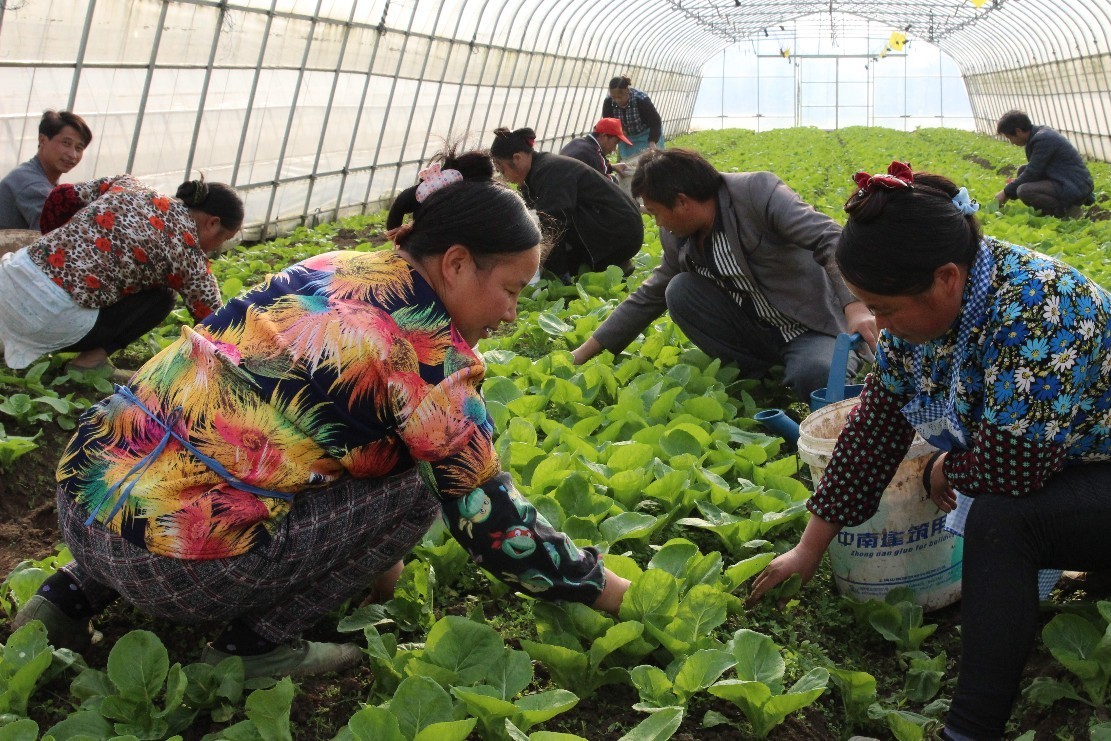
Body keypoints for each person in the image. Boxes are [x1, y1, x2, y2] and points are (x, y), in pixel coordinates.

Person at [10, 150, 630, 678]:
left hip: (80, 499)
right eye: (512, 291)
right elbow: (491, 522)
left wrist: (378, 557)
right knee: (424, 484)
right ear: (457, 263)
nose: (513, 314)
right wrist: (609, 591)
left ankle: (65, 596)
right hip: (176, 570)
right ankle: (256, 648)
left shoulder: (332, 265)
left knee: (191, 440)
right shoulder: (429, 357)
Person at [748, 162, 1111, 740]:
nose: (880, 323)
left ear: (946, 278)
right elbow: (874, 429)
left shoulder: (1037, 307)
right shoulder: (926, 312)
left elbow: (1013, 471)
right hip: (1101, 460)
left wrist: (944, 466)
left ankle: (970, 729)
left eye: (886, 309)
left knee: (1002, 522)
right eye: (869, 307)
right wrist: (808, 550)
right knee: (993, 506)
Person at [570, 147, 877, 402]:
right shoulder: (677, 235)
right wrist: (581, 355)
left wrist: (855, 305)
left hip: (812, 327)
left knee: (816, 376)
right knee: (679, 289)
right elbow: (648, 296)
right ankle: (757, 374)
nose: (658, 223)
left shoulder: (756, 193)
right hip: (757, 330)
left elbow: (830, 238)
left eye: (656, 213)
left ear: (682, 201)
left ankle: (820, 362)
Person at [0, 176, 242, 380]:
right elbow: (215, 322)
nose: (216, 248)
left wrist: (59, 243)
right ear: (212, 223)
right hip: (46, 319)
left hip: (8, 278)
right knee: (164, 296)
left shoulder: (129, 184)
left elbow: (61, 196)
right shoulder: (190, 256)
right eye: (224, 239)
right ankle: (89, 363)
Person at [490, 127, 644, 281]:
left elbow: (552, 224)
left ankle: (601, 264)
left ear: (517, 158)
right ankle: (615, 265)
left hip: (622, 233)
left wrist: (535, 268)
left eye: (502, 170)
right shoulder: (537, 171)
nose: (504, 177)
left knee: (553, 236)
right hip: (616, 226)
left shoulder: (549, 171)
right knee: (553, 244)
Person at [0, 110, 93, 231]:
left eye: (79, 148)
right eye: (66, 143)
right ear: (42, 140)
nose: (73, 155)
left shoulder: (36, 176)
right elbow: (51, 236)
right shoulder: (31, 184)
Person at [993, 110, 1093, 218]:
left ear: (1018, 131)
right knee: (1022, 170)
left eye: (1010, 138)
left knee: (1024, 190)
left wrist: (1006, 192)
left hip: (1074, 185)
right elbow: (1033, 171)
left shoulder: (1043, 139)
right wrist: (1012, 187)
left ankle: (1068, 211)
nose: (1012, 142)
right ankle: (1050, 211)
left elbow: (1032, 173)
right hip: (1064, 179)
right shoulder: (1037, 135)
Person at [602, 76, 663, 162]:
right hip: (626, 137)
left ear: (627, 91)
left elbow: (655, 122)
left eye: (619, 97)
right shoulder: (609, 102)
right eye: (614, 97)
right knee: (626, 162)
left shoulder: (641, 100)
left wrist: (652, 142)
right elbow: (608, 123)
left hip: (646, 135)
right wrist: (618, 134)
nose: (617, 100)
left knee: (650, 162)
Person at [560, 117, 631, 185]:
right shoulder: (595, 154)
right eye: (615, 143)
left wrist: (612, 167)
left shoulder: (577, 142)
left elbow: (593, 167)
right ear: (604, 136)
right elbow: (609, 185)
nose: (614, 149)